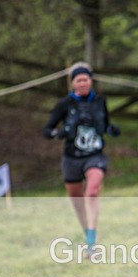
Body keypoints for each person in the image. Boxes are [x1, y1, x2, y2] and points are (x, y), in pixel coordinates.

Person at [42, 62, 120, 253]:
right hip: (72, 158)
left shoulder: (99, 101)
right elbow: (47, 130)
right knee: (76, 199)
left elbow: (106, 123)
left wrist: (111, 129)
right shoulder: (65, 104)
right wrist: (57, 134)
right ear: (73, 83)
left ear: (91, 81)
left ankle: (92, 242)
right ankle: (88, 234)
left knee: (92, 191)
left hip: (94, 156)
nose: (84, 83)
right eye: (79, 80)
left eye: (86, 79)